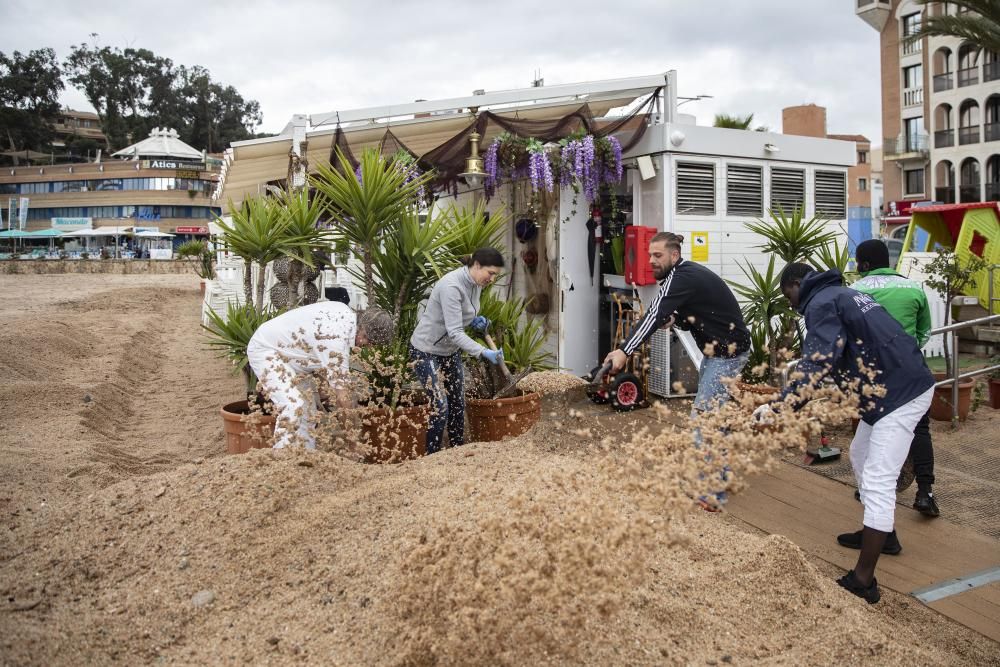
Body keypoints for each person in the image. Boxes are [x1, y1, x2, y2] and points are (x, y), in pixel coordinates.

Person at [754, 263, 934, 604]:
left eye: (787, 294)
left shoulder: (822, 303)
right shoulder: (842, 294)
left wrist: (779, 408)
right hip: (891, 386)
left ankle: (864, 580)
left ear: (797, 283)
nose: (790, 303)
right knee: (859, 454)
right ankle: (883, 534)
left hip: (900, 393)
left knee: (880, 479)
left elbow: (817, 362)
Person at [603, 231, 751, 508]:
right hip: (720, 353)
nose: (651, 261)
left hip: (727, 356)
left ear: (674, 255)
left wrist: (624, 351)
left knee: (704, 421)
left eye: (658, 255)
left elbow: (653, 314)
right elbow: (685, 310)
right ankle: (720, 477)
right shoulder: (681, 276)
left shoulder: (682, 277)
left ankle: (712, 494)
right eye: (650, 256)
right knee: (713, 419)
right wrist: (675, 318)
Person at [853, 239, 939, 517]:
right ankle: (925, 493)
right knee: (920, 429)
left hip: (874, 373)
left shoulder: (854, 290)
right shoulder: (913, 287)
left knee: (872, 426)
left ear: (864, 264)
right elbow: (925, 332)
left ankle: (869, 487)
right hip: (911, 369)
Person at [247, 301, 395, 449]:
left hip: (292, 358)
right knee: (293, 405)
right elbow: (343, 398)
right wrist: (353, 442)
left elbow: (314, 345)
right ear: (362, 326)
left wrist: (325, 389)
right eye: (365, 337)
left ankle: (304, 459)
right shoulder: (335, 339)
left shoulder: (344, 313)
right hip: (266, 349)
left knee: (309, 412)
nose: (365, 344)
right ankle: (284, 459)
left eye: (371, 343)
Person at [410, 248, 505, 454]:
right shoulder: (451, 286)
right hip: (426, 350)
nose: (492, 278)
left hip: (448, 351)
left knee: (457, 403)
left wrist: (475, 321)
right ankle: (432, 458)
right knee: (440, 406)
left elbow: (461, 314)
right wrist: (483, 352)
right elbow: (454, 332)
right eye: (491, 273)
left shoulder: (476, 283)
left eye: (496, 274)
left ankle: (456, 454)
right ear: (477, 265)